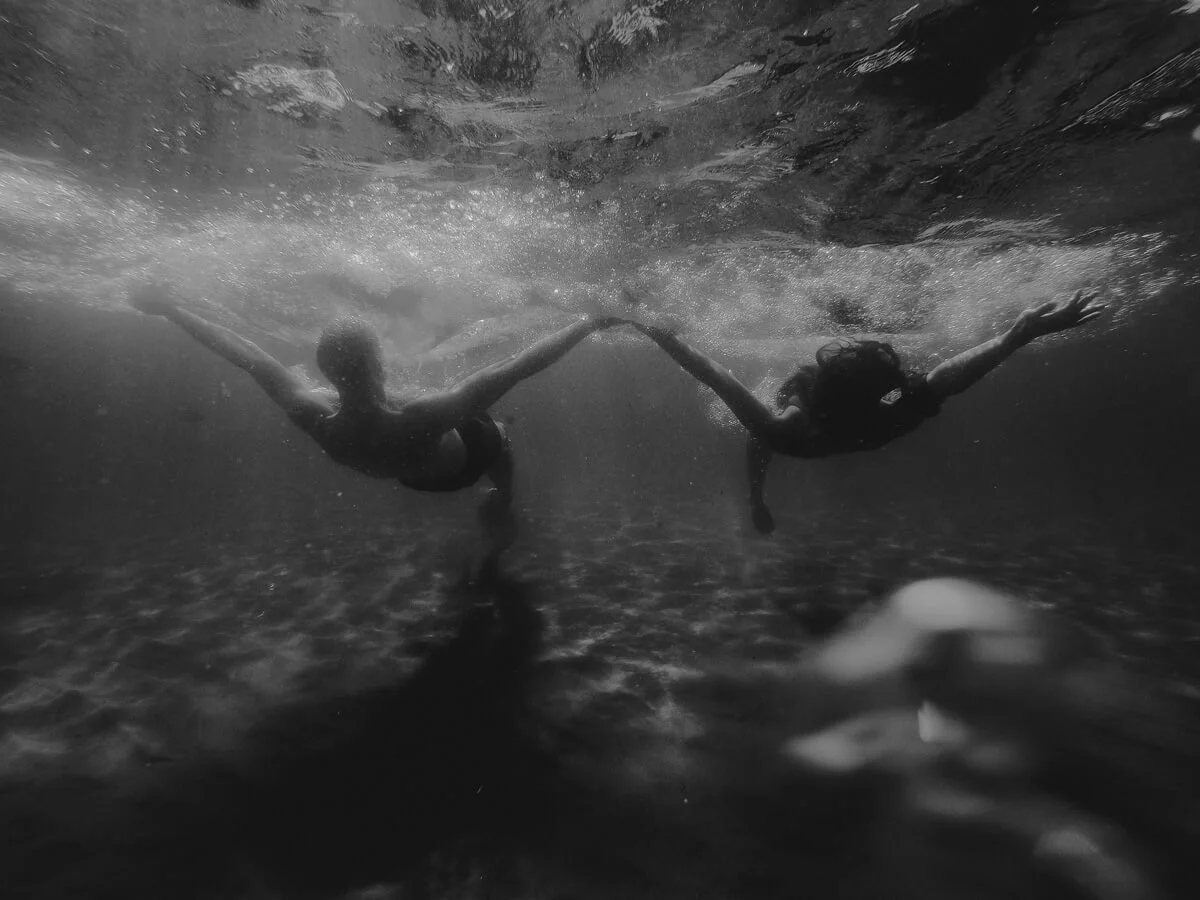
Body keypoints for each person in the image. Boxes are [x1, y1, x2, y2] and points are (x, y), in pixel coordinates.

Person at [129, 285, 626, 546]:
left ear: (327, 373)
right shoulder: (422, 417)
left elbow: (248, 357)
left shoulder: (315, 416)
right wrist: (589, 323)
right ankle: (504, 500)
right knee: (496, 432)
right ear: (379, 365)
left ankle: (496, 492)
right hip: (462, 461)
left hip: (411, 476)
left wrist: (172, 310)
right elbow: (518, 366)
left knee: (463, 404)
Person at [631, 290, 1107, 533]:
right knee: (773, 428)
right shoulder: (873, 413)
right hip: (827, 402)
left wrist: (1017, 336)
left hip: (844, 407)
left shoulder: (870, 412)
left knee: (771, 431)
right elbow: (946, 378)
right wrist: (1017, 336)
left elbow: (716, 376)